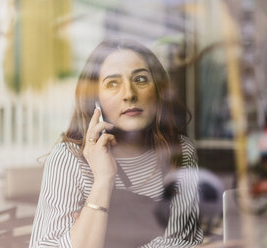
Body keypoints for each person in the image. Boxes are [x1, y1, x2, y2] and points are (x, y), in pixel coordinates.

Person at [29, 39, 203, 248]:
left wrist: (101, 233)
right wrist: (103, 179)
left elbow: (184, 243)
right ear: (95, 99)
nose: (129, 94)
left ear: (158, 91)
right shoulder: (69, 159)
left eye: (140, 79)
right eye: (112, 83)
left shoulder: (182, 151)